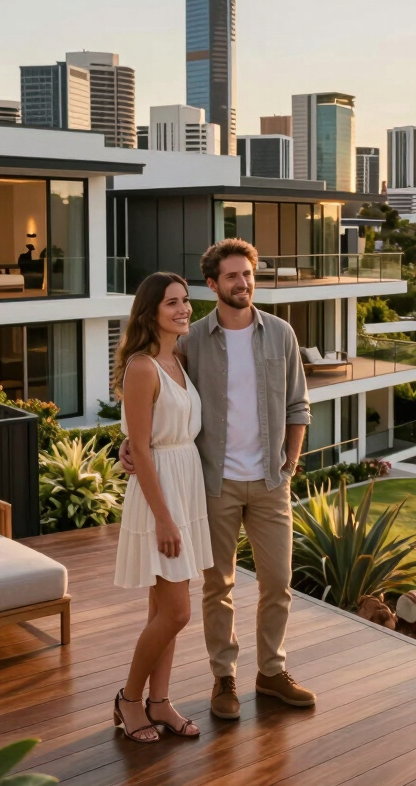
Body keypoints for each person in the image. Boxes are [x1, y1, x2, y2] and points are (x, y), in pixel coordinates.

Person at [121, 238, 315, 721]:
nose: (242, 283)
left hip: (270, 482)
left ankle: (271, 671)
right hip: (212, 484)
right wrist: (130, 445)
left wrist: (289, 463)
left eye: (247, 274)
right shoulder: (188, 343)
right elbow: (156, 402)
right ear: (213, 285)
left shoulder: (282, 335)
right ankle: (223, 678)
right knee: (217, 586)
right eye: (231, 276)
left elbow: (298, 405)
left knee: (279, 583)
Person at [112, 272, 212, 743]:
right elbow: (142, 448)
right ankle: (130, 699)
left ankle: (160, 701)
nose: (184, 309)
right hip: (161, 495)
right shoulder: (143, 367)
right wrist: (165, 518)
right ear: (151, 311)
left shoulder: (177, 360)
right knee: (176, 612)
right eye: (172, 303)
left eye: (186, 301)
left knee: (162, 609)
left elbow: (145, 437)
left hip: (185, 481)